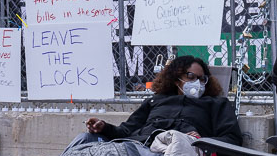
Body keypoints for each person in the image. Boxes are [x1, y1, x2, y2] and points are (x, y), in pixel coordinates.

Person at [85, 55, 244, 146]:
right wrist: (104, 127)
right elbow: (126, 131)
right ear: (176, 79)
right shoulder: (156, 101)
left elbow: (232, 138)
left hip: (174, 152)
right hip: (139, 146)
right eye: (191, 76)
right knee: (84, 140)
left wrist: (200, 141)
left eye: (202, 79)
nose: (197, 82)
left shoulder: (216, 104)